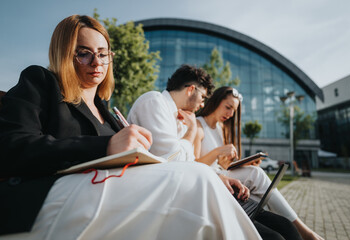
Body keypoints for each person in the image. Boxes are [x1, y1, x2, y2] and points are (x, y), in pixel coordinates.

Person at [0, 15, 261, 239]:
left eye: (103, 54)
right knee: (198, 182)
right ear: (64, 54)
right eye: (84, 53)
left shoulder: (107, 111)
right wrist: (107, 146)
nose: (97, 62)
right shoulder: (41, 81)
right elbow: (10, 147)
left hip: (104, 192)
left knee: (202, 189)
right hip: (43, 198)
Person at [127, 65, 302, 240]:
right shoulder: (154, 101)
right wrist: (192, 131)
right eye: (202, 97)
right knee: (275, 236)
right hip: (174, 194)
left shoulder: (180, 118)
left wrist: (221, 176)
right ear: (191, 90)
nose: (202, 104)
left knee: (284, 227)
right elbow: (174, 160)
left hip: (193, 188)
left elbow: (189, 163)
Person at [195, 86, 324, 240]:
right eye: (228, 107)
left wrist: (241, 163)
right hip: (209, 177)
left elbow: (222, 164)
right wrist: (217, 152)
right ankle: (304, 231)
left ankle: (285, 226)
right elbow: (195, 164)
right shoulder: (198, 125)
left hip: (222, 174)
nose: (230, 114)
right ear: (215, 101)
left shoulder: (220, 128)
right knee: (256, 175)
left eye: (233, 110)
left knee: (255, 177)